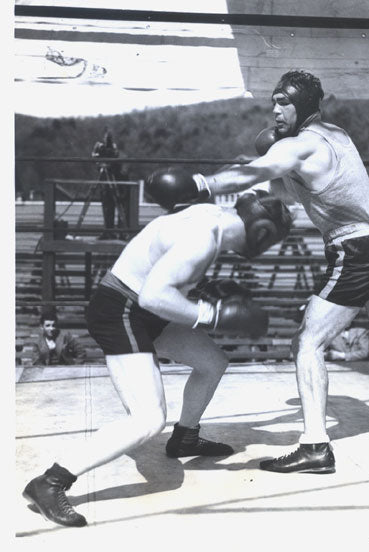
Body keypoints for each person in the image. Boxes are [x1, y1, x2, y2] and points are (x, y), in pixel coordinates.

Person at [146, 69, 369, 475]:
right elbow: (284, 183)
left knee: (306, 343)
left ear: (302, 105)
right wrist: (262, 182)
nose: (275, 109)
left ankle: (315, 446)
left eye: (284, 101)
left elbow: (255, 171)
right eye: (273, 101)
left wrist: (198, 183)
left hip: (356, 250)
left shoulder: (300, 146)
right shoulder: (336, 134)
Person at [22, 192, 292, 526]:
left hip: (141, 309)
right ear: (262, 233)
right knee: (148, 419)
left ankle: (185, 438)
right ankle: (50, 483)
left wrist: (203, 287)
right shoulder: (202, 240)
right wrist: (213, 314)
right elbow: (154, 296)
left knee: (212, 362)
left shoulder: (209, 214)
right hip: (122, 311)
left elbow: (163, 267)